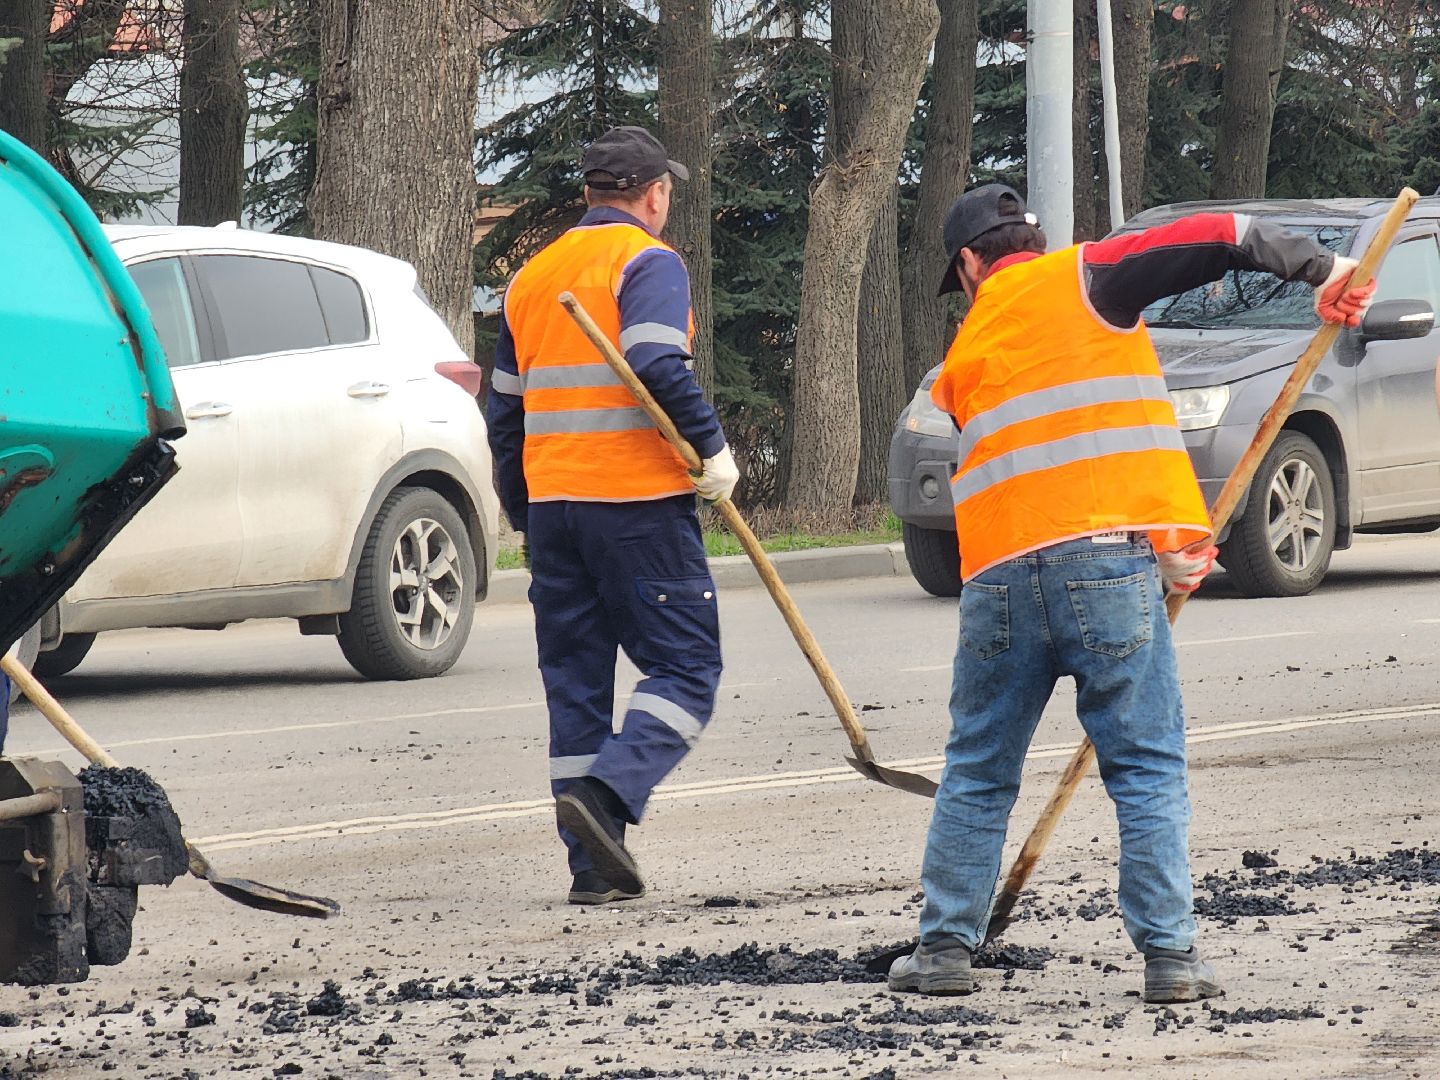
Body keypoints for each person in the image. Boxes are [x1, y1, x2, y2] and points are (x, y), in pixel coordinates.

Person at [888, 184, 1375, 1002]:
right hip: (1106, 567)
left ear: (970, 264)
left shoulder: (964, 357)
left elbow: (1054, 458)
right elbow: (1225, 232)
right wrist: (1325, 267)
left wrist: (1169, 542)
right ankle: (1171, 959)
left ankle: (942, 951)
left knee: (977, 770)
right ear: (1033, 243)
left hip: (998, 581)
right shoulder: (1087, 277)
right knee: (1146, 769)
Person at [486, 126, 739, 906]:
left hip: (558, 512)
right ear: (654, 194)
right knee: (688, 669)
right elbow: (658, 362)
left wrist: (527, 514)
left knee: (577, 688)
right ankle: (607, 798)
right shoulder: (648, 261)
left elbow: (502, 413)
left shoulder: (532, 276)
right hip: (635, 505)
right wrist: (712, 451)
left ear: (592, 192)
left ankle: (594, 867)